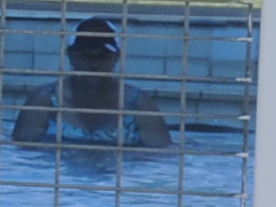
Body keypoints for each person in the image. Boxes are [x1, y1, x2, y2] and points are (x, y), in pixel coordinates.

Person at [10, 15, 176, 149]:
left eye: (101, 56)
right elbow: (22, 154)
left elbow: (160, 158)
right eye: (85, 56)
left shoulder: (138, 104)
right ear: (70, 56)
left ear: (116, 58)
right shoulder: (45, 100)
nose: (94, 64)